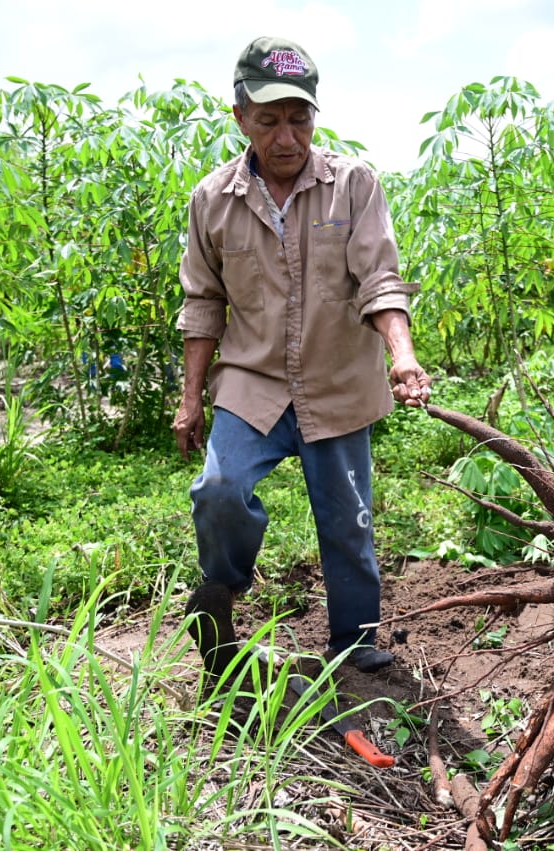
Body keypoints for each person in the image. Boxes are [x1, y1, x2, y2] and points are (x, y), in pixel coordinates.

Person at [171, 36, 432, 696]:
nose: (287, 137)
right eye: (270, 120)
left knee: (348, 519)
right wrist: (190, 397)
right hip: (254, 384)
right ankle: (222, 593)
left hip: (337, 379)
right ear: (239, 118)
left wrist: (402, 358)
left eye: (300, 118)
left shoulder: (353, 185)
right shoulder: (213, 201)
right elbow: (203, 302)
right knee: (220, 491)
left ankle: (356, 644)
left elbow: (380, 279)